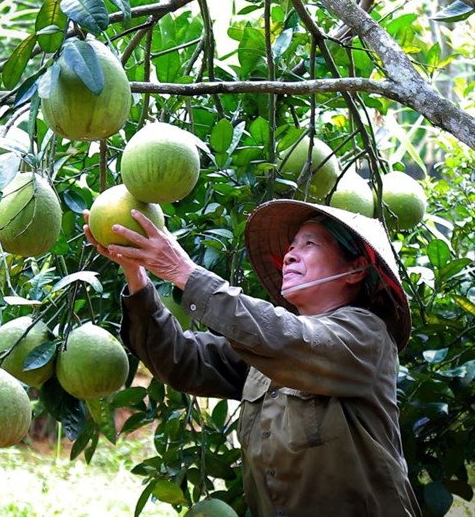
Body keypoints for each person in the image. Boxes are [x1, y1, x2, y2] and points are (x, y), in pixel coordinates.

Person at [83, 199, 421, 517]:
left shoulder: (366, 336)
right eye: (291, 246)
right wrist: (136, 274)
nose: (290, 255)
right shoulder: (268, 351)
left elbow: (292, 340)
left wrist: (185, 273)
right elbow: (180, 359)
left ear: (355, 270)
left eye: (309, 244)